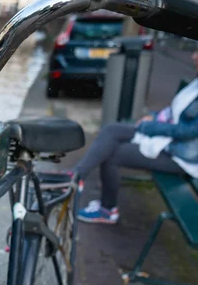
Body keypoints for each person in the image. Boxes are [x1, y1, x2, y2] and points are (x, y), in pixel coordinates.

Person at [74, 51, 198, 224]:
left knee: (113, 154)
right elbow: (174, 112)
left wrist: (149, 126)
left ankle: (107, 210)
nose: (193, 56)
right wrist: (154, 117)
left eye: (197, 52)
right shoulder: (195, 83)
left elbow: (188, 131)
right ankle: (77, 176)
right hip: (167, 140)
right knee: (112, 130)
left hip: (180, 156)